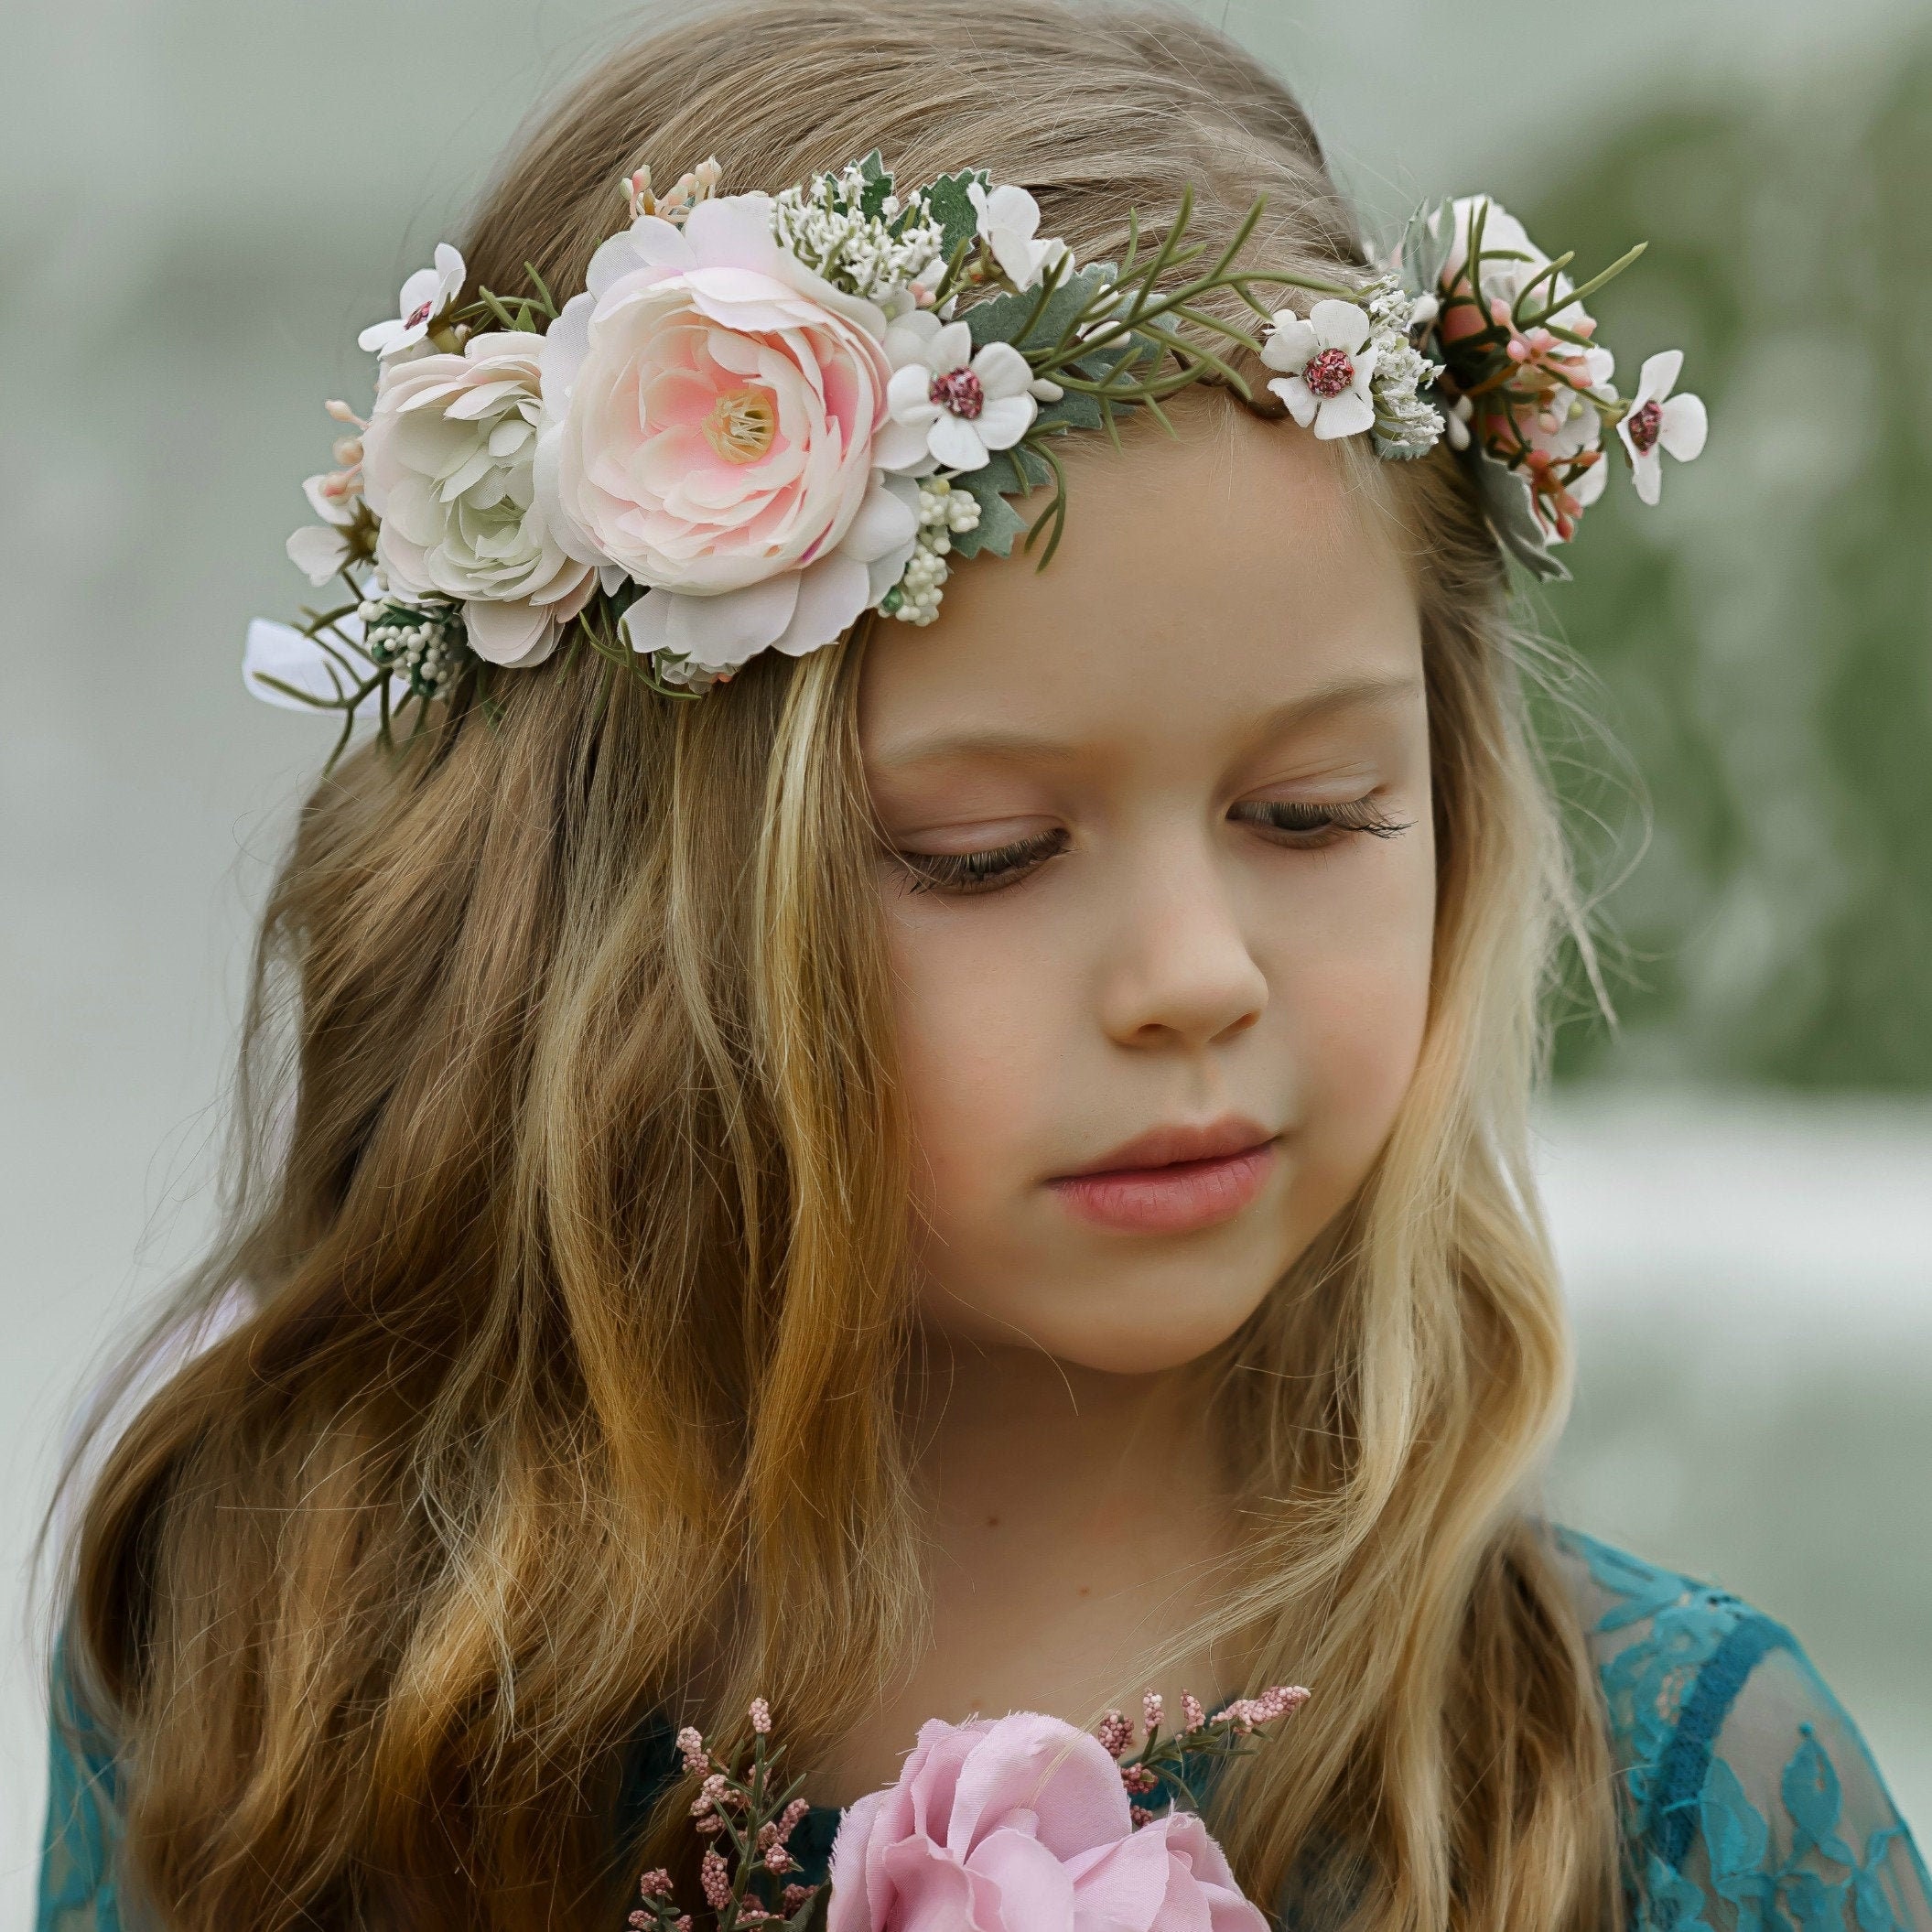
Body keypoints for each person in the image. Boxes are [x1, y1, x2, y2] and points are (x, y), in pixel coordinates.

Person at [36, 4, 1928, 1928]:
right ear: (596, 922)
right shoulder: (285, 1668)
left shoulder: (1662, 1799)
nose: (1195, 980)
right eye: (986, 855)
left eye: (1310, 816)